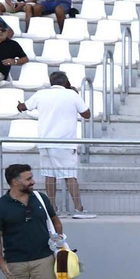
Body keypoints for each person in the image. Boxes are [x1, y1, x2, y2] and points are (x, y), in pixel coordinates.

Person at [17, 74, 95, 218]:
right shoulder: (71, 95)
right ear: (66, 82)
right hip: (64, 143)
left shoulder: (42, 94)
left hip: (45, 142)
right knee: (70, 176)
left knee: (49, 175)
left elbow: (23, 107)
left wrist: (19, 104)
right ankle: (79, 209)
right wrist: (74, 93)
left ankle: (51, 208)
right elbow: (87, 114)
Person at [0, 164, 63, 279]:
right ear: (15, 182)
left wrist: (58, 242)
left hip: (44, 259)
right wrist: (0, 262)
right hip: (15, 263)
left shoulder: (41, 198)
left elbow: (56, 221)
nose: (33, 182)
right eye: (28, 179)